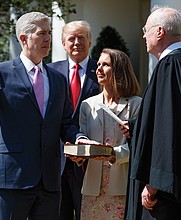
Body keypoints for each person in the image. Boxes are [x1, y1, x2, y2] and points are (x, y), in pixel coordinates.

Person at [0, 12, 89, 220]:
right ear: (23, 38)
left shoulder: (58, 79)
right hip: (14, 179)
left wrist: (78, 138)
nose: (48, 39)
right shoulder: (3, 74)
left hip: (50, 181)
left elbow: (65, 121)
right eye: (41, 33)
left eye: (49, 33)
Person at [126, 6, 181, 220]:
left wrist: (153, 184)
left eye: (146, 30)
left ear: (160, 32)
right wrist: (136, 128)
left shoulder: (170, 65)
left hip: (168, 194)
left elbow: (168, 126)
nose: (144, 35)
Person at [76, 48, 141, 219]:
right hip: (92, 188)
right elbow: (83, 141)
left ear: (119, 69)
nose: (98, 69)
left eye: (105, 65)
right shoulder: (87, 105)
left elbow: (140, 145)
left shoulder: (137, 105)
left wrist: (113, 154)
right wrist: (78, 153)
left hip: (122, 186)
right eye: (98, 64)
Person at [48, 20, 99, 220]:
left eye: (81, 37)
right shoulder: (50, 72)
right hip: (56, 160)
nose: (76, 42)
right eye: (71, 38)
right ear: (63, 43)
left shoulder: (102, 71)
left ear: (90, 41)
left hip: (90, 160)